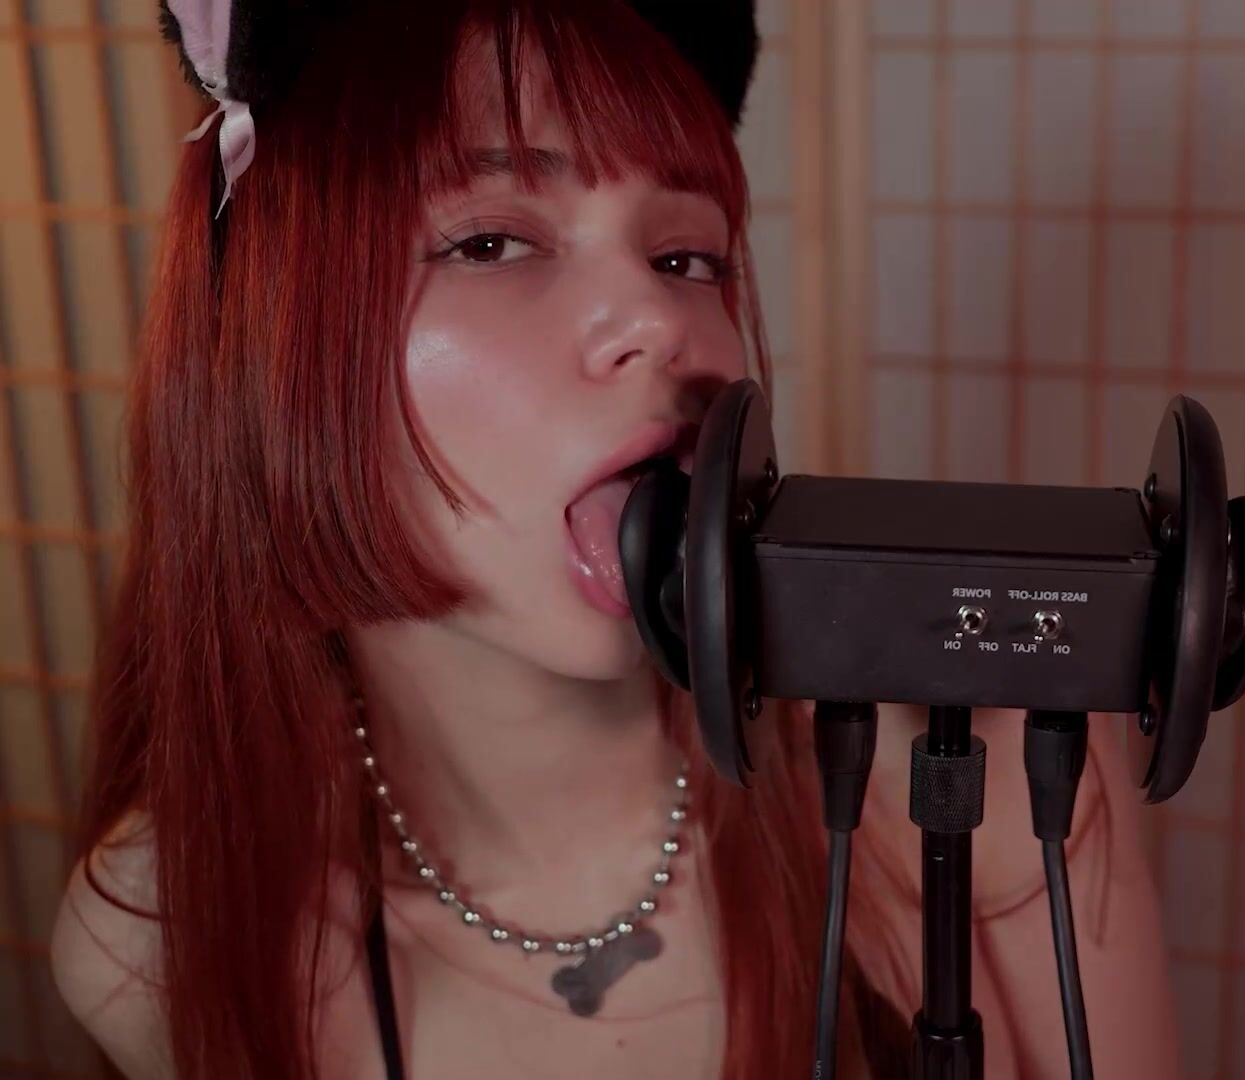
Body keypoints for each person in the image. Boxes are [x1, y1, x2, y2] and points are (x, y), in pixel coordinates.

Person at [47, 1, 1182, 1076]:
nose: (659, 318)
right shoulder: (160, 932)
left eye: (688, 260)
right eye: (491, 242)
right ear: (265, 344)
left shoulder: (965, 777)